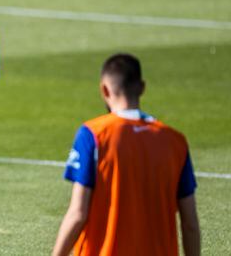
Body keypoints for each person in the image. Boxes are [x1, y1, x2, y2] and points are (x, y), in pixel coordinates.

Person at [52, 53, 201, 256]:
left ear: (104, 90)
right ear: (142, 88)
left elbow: (78, 213)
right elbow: (190, 222)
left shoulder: (93, 135)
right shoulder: (175, 141)